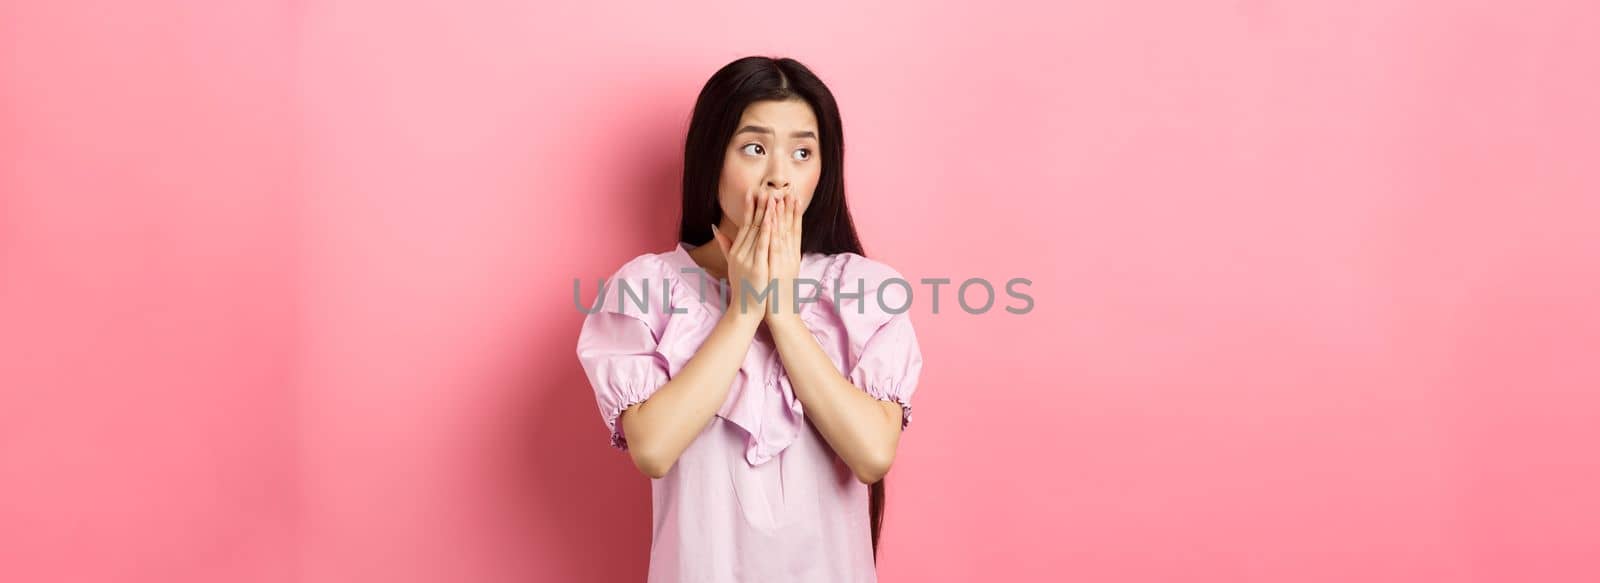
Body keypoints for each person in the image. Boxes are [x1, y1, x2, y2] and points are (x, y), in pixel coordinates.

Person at [576, 56, 923, 582]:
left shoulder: (864, 289)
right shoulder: (645, 288)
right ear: (712, 157)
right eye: (755, 149)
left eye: (802, 152)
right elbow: (652, 448)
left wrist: (781, 311)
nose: (778, 178)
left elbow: (873, 454)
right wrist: (743, 310)